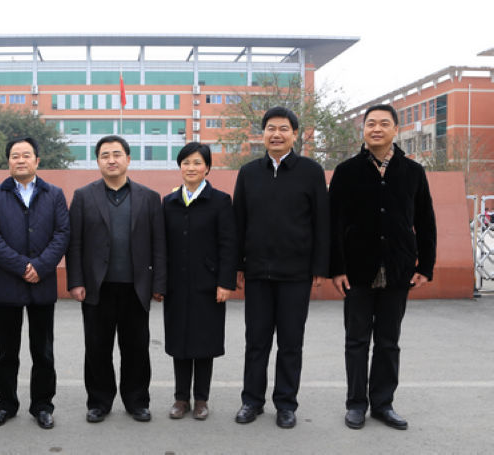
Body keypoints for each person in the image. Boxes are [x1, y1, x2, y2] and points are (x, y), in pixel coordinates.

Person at [330, 104, 436, 431]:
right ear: (363, 129)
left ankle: (383, 403)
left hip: (397, 268)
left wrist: (425, 265)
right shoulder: (346, 171)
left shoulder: (413, 172)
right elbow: (334, 223)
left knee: (389, 341)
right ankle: (355, 404)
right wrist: (337, 268)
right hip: (356, 271)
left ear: (395, 130)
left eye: (384, 123)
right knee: (356, 341)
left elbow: (425, 221)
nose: (376, 128)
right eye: (371, 123)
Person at [232, 106, 329, 429]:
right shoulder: (249, 173)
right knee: (256, 342)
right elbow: (238, 221)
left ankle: (286, 404)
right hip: (257, 273)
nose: (276, 134)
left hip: (296, 274)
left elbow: (322, 222)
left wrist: (319, 266)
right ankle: (252, 401)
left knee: (290, 343)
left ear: (294, 134)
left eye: (283, 129)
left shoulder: (311, 172)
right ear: (262, 134)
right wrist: (237, 265)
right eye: (271, 128)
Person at [66, 135, 166, 423]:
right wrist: (76, 281)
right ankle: (99, 401)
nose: (111, 160)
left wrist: (159, 284)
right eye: (105, 155)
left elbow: (159, 244)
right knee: (97, 348)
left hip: (136, 287)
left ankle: (137, 401)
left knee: (137, 348)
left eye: (117, 154)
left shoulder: (149, 197)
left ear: (128, 159)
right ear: (98, 161)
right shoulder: (84, 196)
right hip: (97, 287)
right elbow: (75, 243)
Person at [0, 137, 70, 430]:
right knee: (7, 352)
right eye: (15, 155)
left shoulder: (54, 194)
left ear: (37, 161)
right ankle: (6, 405)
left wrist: (41, 266)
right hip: (7, 283)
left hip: (42, 284)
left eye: (26, 155)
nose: (20, 160)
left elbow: (62, 233)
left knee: (43, 351)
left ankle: (42, 406)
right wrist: (21, 266)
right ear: (8, 161)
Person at [162, 142, 236, 421]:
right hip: (176, 285)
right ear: (179, 167)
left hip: (209, 285)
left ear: (207, 168)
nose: (191, 168)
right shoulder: (169, 202)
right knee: (179, 342)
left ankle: (202, 399)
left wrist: (225, 282)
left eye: (197, 162)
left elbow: (228, 245)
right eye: (186, 163)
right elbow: (162, 246)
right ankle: (181, 398)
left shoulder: (220, 201)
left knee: (204, 343)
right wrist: (160, 283)